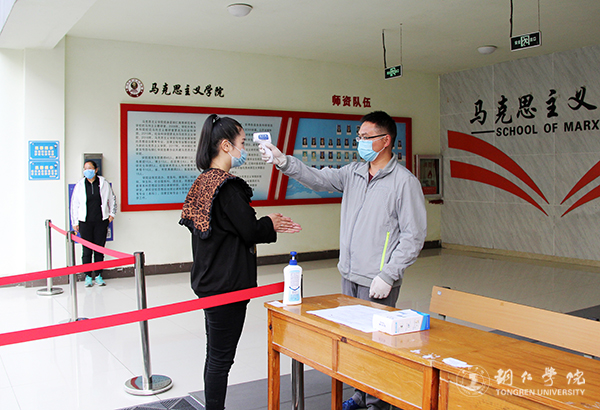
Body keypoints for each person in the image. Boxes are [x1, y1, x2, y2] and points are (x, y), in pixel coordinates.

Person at [260, 110, 427, 410]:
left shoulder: (404, 183)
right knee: (352, 341)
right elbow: (318, 178)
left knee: (377, 345)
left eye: (366, 137)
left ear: (386, 140)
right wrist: (283, 161)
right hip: (349, 274)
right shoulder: (354, 173)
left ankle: (378, 403)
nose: (359, 142)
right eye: (359, 136)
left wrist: (389, 274)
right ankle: (360, 395)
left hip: (378, 280)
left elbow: (413, 236)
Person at [179, 114, 301, 410]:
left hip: (209, 280)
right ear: (225, 145)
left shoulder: (203, 182)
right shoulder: (227, 187)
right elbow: (249, 229)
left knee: (215, 354)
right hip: (227, 285)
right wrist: (270, 222)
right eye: (242, 143)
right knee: (221, 358)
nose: (244, 149)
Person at [70, 160, 117, 287]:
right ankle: (88, 276)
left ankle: (98, 275)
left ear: (96, 170)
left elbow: (112, 198)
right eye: (85, 168)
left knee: (99, 249)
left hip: (101, 221)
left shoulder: (103, 183)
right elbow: (74, 204)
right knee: (86, 250)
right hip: (85, 222)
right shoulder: (80, 185)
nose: (87, 171)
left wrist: (112, 214)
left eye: (90, 168)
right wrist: (75, 222)